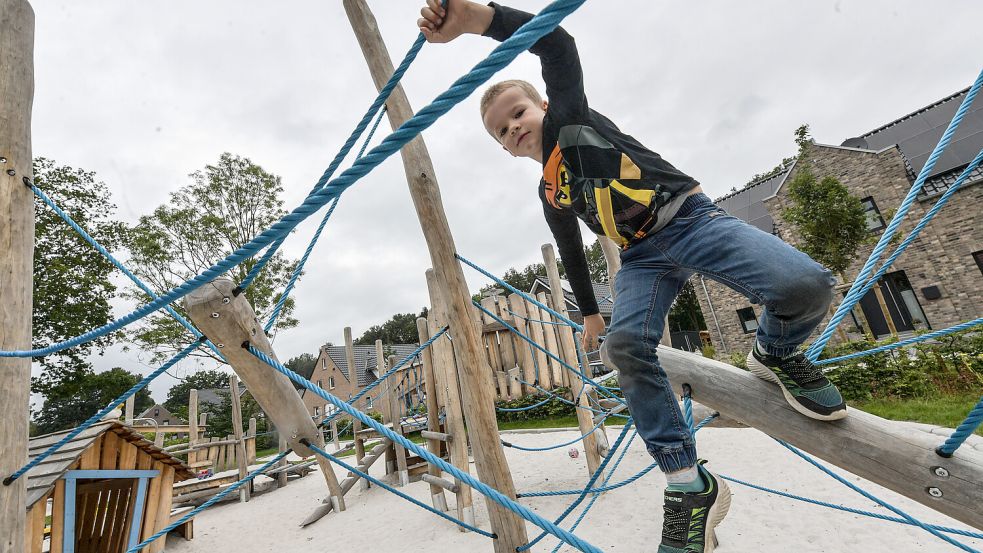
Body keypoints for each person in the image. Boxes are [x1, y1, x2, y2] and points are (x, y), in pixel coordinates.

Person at [417, 2, 848, 551]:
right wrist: (592, 314)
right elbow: (572, 250)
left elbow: (558, 44)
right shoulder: (551, 192)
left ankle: (777, 352)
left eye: (518, 113)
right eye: (502, 131)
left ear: (543, 105)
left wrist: (477, 19)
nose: (514, 129)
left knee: (806, 285)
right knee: (625, 346)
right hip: (640, 257)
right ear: (502, 147)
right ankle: (688, 483)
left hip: (690, 218)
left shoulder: (572, 121)